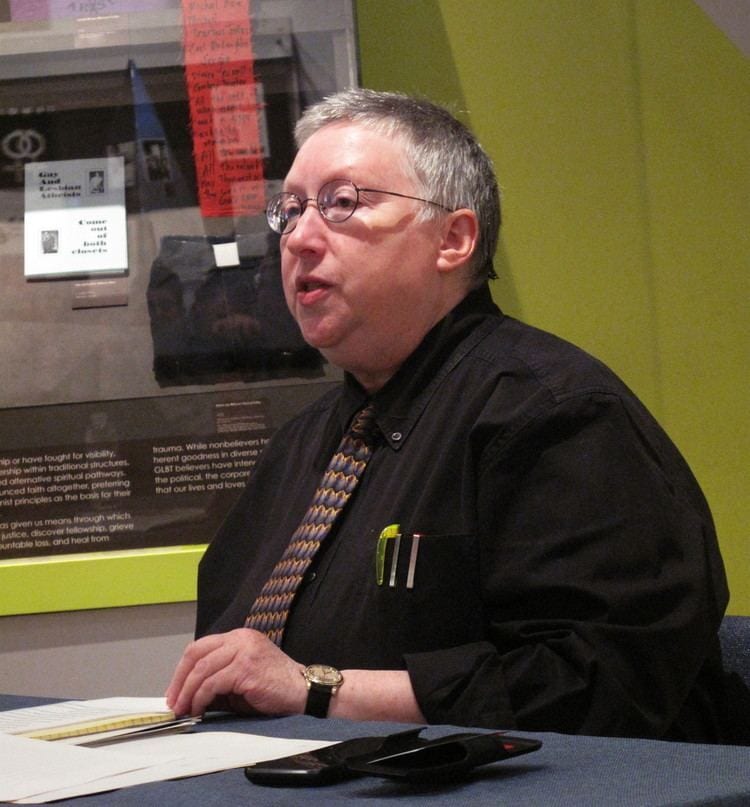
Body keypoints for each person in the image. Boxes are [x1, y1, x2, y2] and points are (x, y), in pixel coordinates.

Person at [167, 88, 750, 743]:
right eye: (291, 209)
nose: (300, 237)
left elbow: (598, 682)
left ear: (453, 238)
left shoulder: (557, 417)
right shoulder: (300, 448)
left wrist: (319, 689)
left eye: (341, 203)